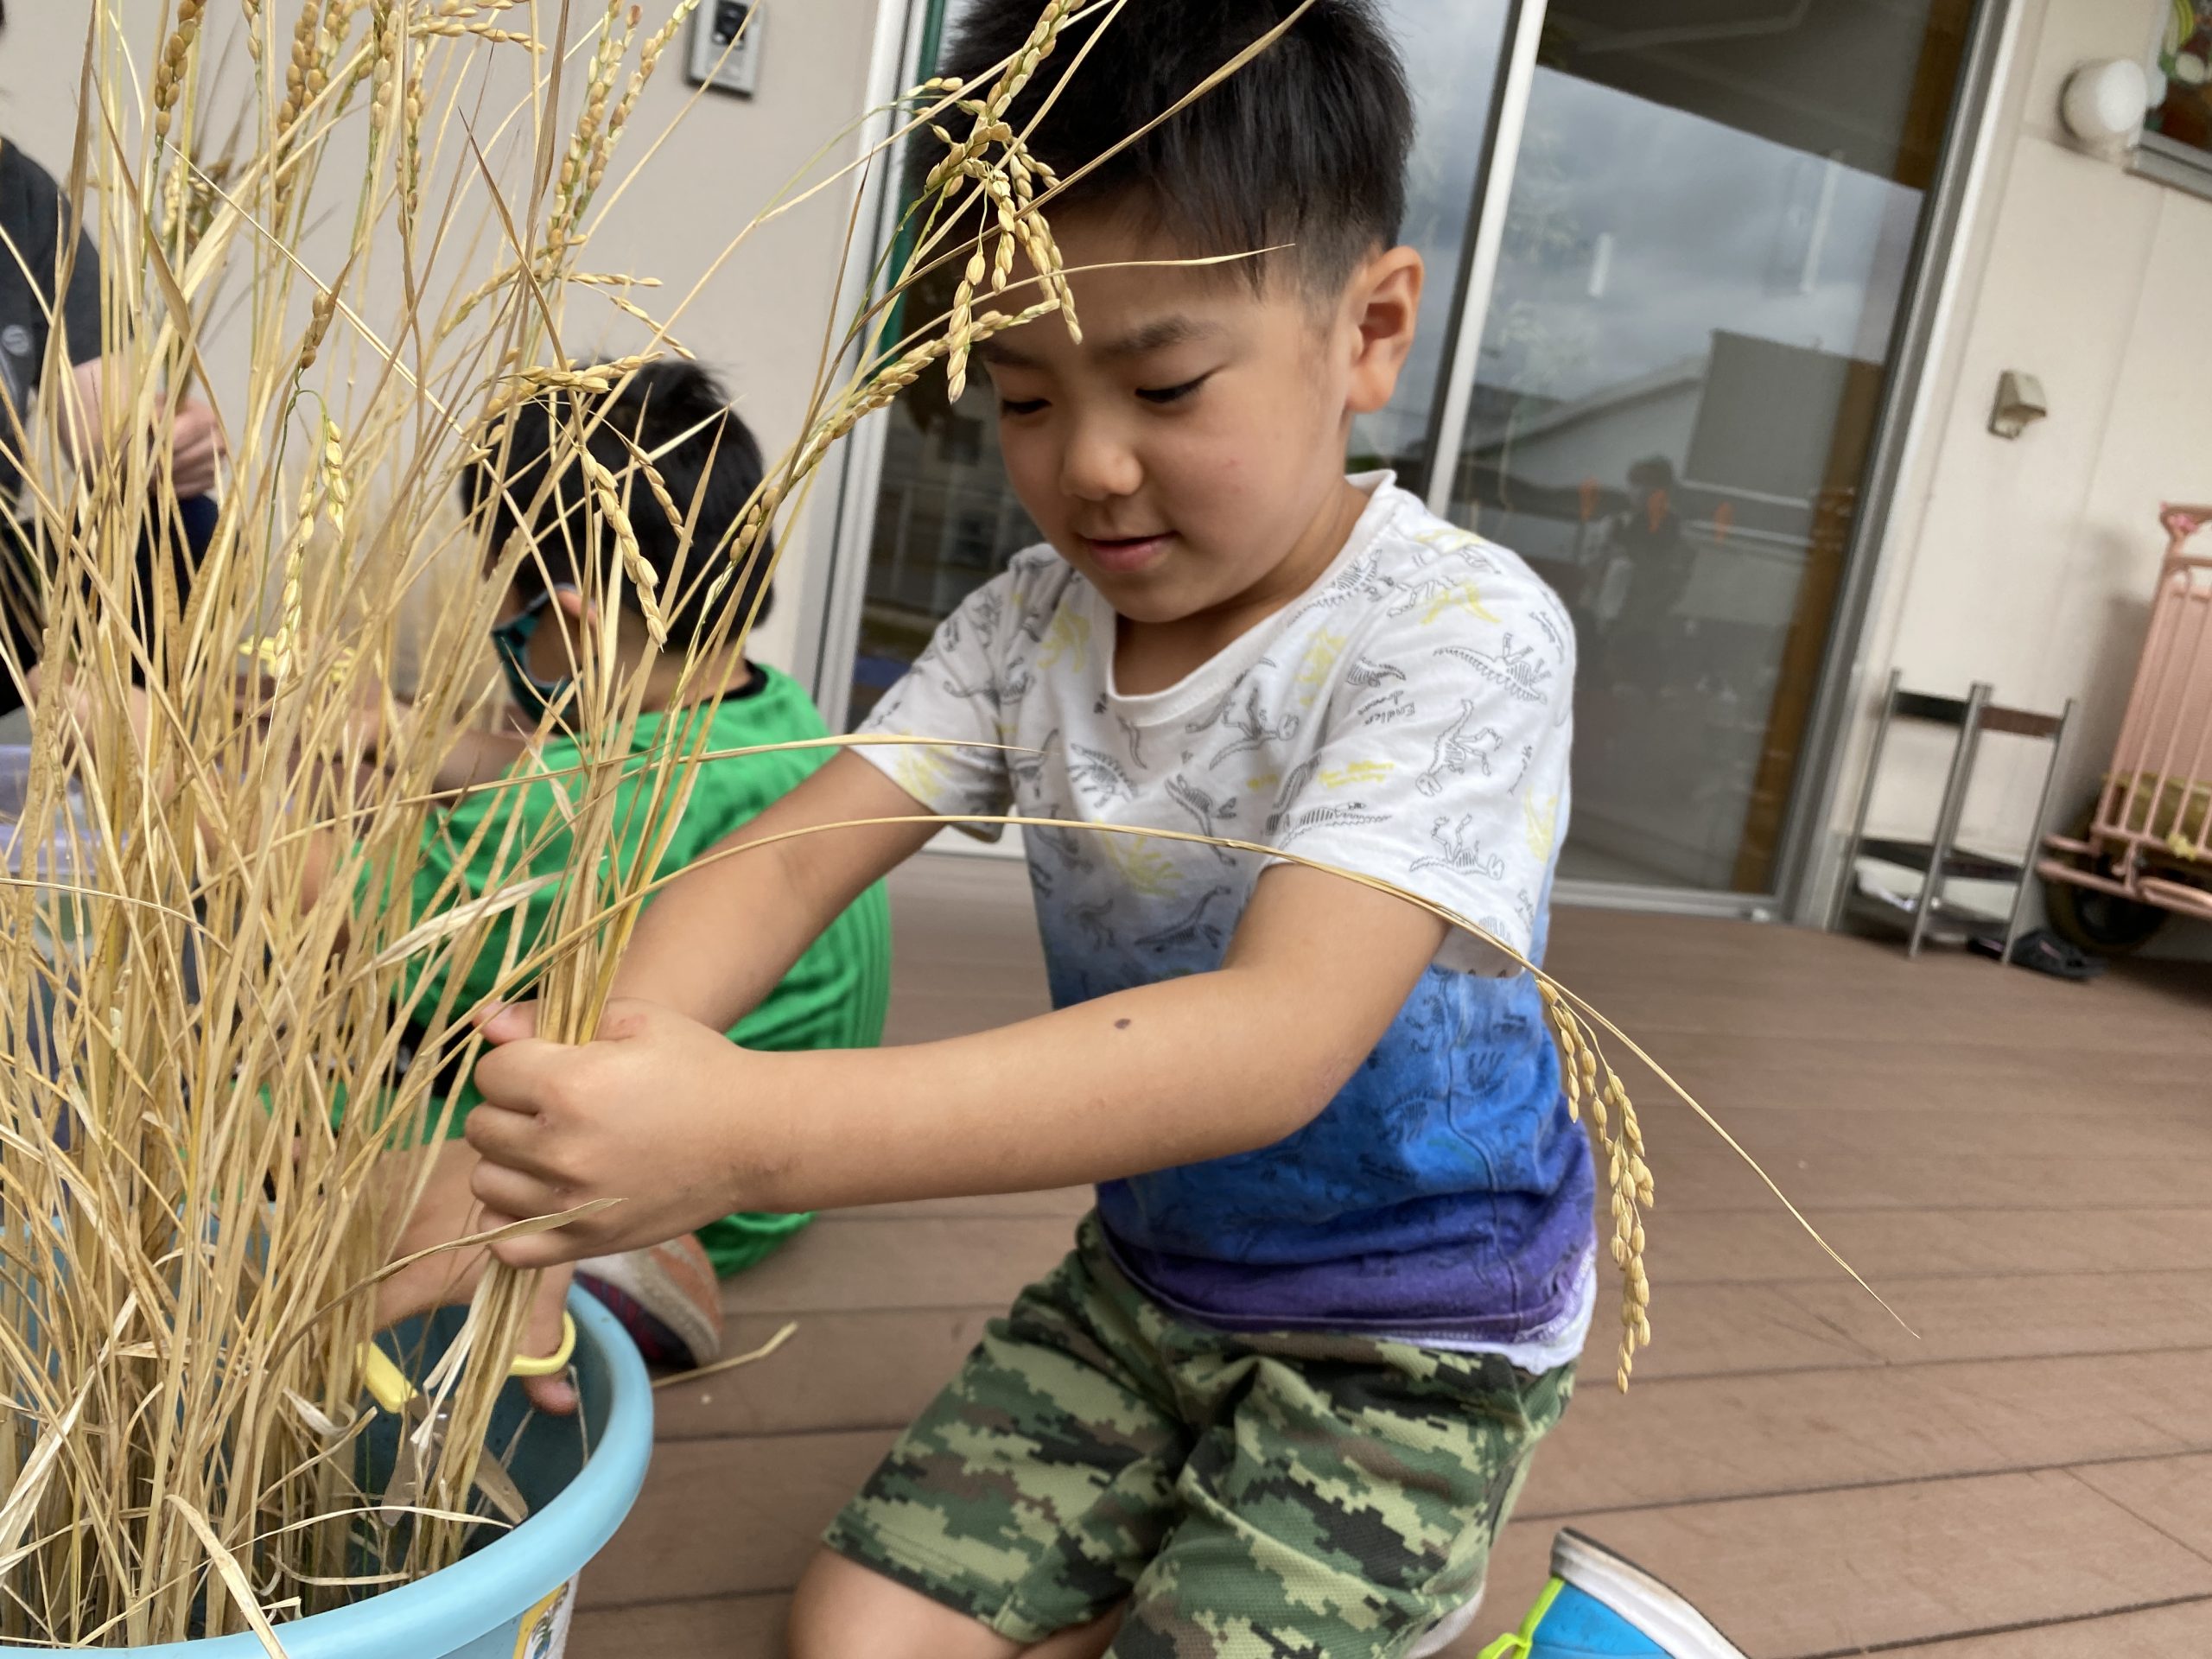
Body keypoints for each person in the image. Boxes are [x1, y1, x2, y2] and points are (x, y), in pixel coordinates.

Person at [452, 3, 1592, 1652]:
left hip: (1413, 1328)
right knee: (853, 1640)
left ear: (1371, 329)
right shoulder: (1024, 628)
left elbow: (1273, 1043)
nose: (1093, 465)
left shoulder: (1455, 634)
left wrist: (746, 1133)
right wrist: (573, 1115)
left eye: (1165, 383)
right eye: (1024, 394)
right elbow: (785, 863)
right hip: (1146, 1286)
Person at [371, 362, 892, 1395]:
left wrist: (190, 780)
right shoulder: (774, 714)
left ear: (565, 613)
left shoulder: (574, 805)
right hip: (771, 1166)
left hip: (681, 1182)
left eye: (496, 583)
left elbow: (360, 936)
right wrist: (415, 742)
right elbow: (555, 772)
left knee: (276, 1105)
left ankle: (619, 1265)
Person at [0, 3, 224, 721]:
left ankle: (138, 760)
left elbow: (109, 431)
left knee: (174, 526)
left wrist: (159, 445)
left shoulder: (27, 202)